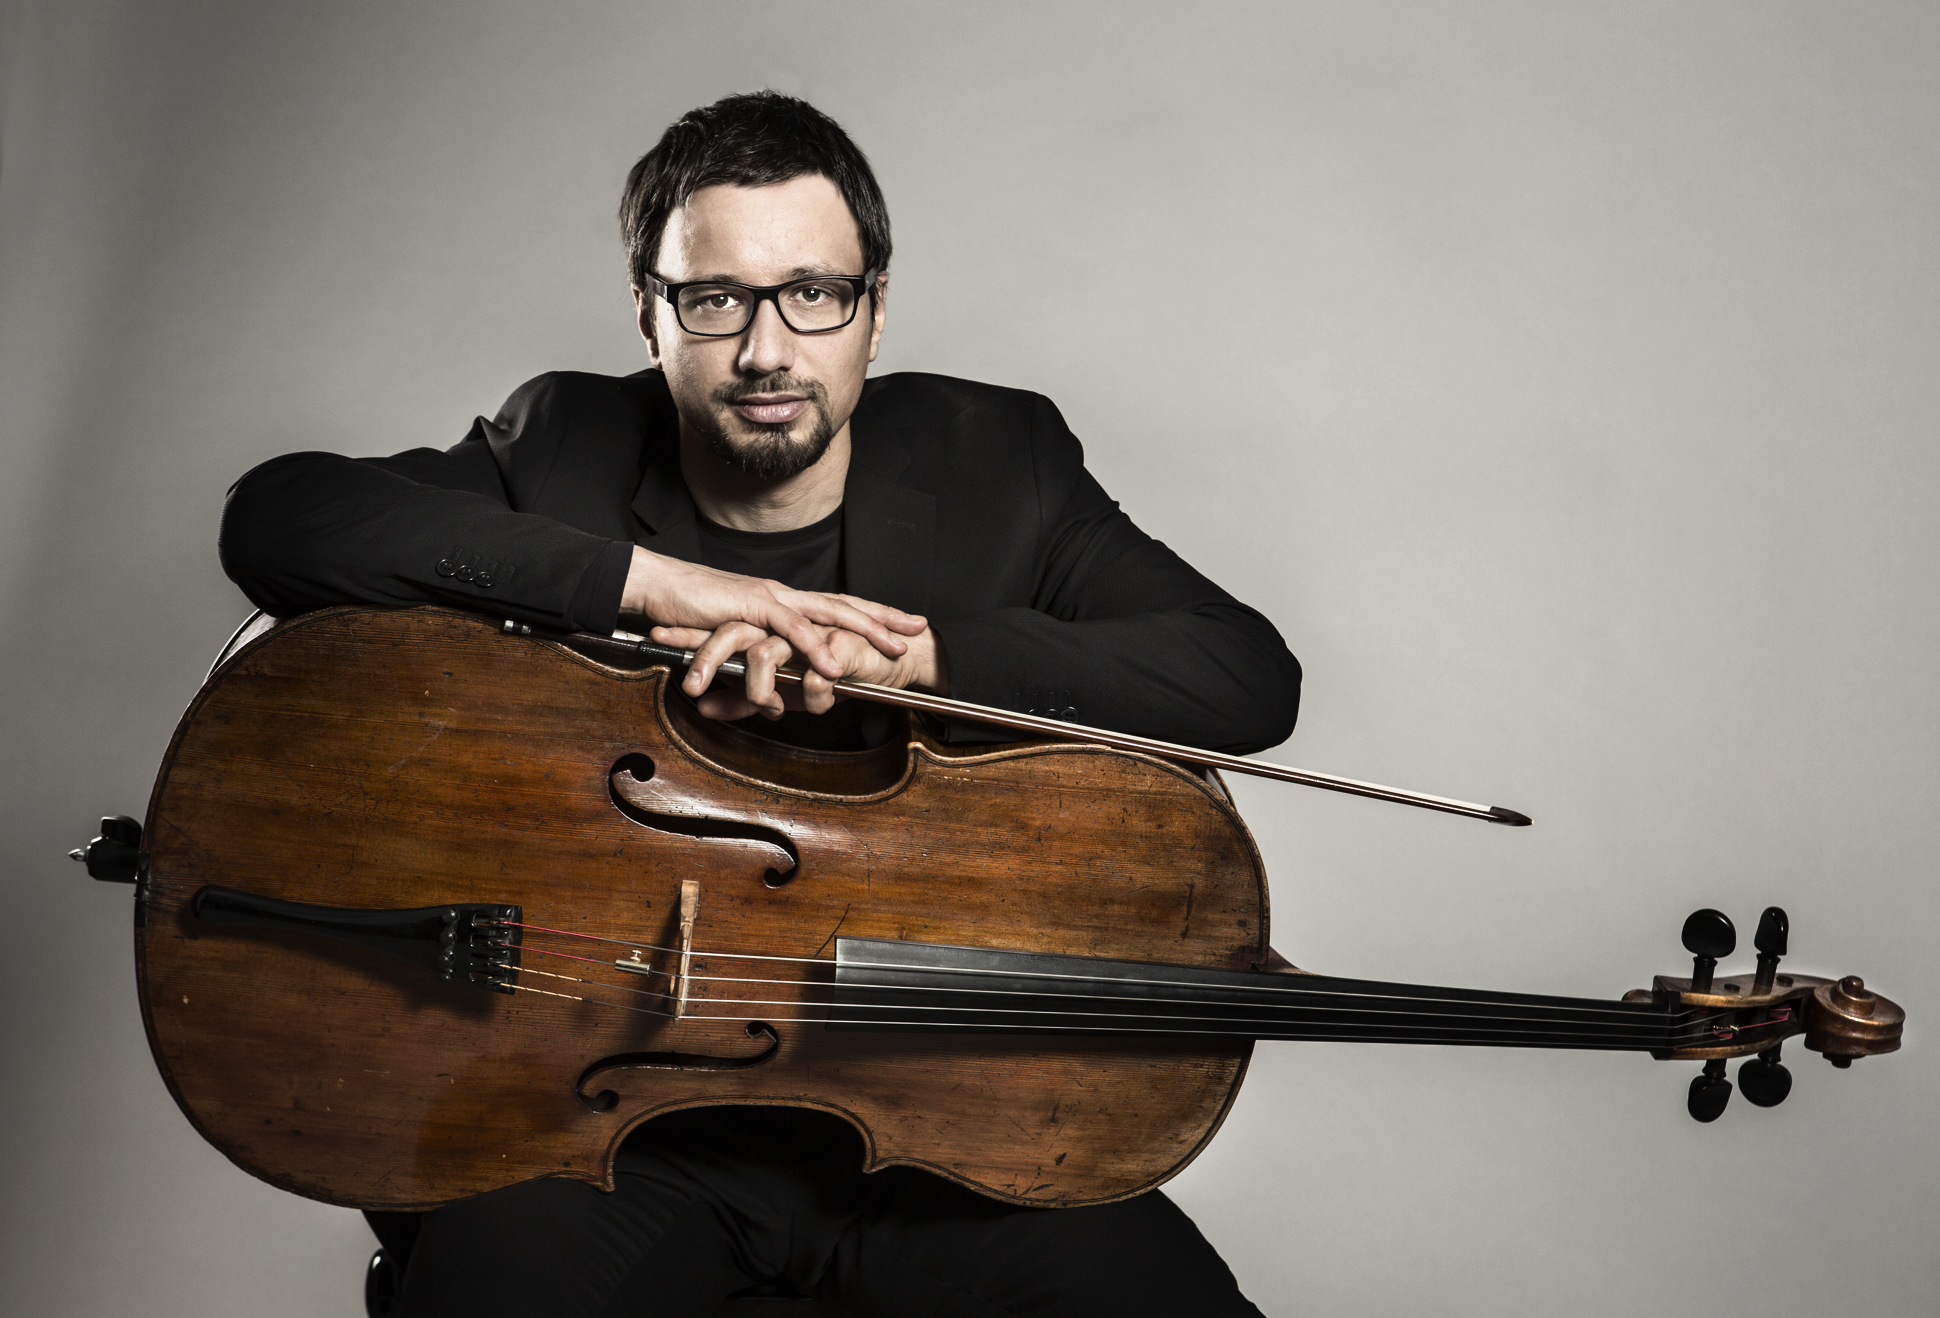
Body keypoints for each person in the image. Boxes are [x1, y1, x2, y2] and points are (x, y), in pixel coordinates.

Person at [221, 91, 1300, 1318]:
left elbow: (1244, 675)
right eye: (715, 300)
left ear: (874, 312)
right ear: (649, 314)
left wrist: (925, 659)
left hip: (942, 1131)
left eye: (814, 294)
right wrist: (654, 586)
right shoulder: (563, 444)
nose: (766, 351)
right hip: (610, 1131)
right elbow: (280, 518)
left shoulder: (1000, 460)